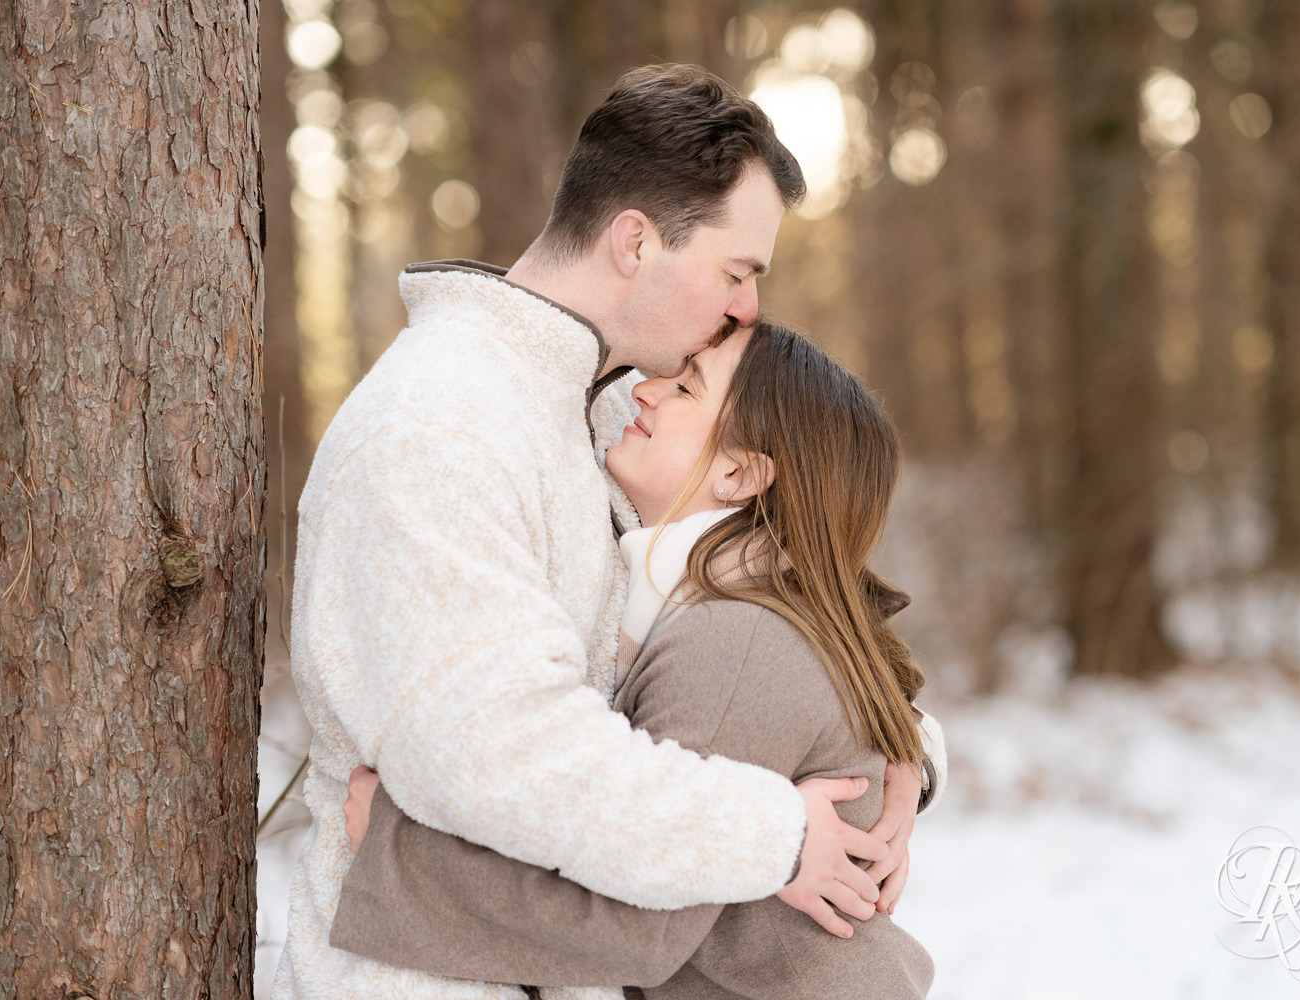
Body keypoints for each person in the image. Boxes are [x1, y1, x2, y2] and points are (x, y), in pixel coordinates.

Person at [271, 65, 944, 1000]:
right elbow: (506, 752)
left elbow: (729, 617)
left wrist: (895, 747)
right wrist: (776, 835)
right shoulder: (439, 424)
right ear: (635, 242)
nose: (747, 306)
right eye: (736, 269)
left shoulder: (576, 413)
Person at [333, 321, 937, 999]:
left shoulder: (733, 643)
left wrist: (398, 855)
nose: (644, 392)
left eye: (685, 388)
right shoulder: (736, 612)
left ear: (740, 473)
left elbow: (641, 926)